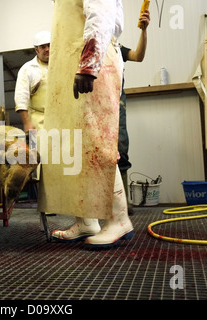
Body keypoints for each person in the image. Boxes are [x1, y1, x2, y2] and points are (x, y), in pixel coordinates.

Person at [38, 0, 133, 249]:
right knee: (75, 145)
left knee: (97, 143)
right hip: (71, 66)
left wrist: (89, 66)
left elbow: (100, 15)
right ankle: (86, 221)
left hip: (93, 66)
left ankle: (119, 219)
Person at [118, 9, 150, 215]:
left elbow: (138, 56)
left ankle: (124, 201)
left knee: (120, 145)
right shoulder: (86, 47)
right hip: (92, 104)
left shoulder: (116, 49)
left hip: (117, 103)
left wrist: (144, 31)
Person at [14, 30, 50, 133]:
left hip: (60, 120)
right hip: (37, 124)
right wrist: (27, 123)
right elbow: (21, 98)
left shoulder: (61, 66)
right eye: (43, 47)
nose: (47, 49)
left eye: (49, 45)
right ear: (36, 50)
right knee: (38, 149)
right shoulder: (28, 69)